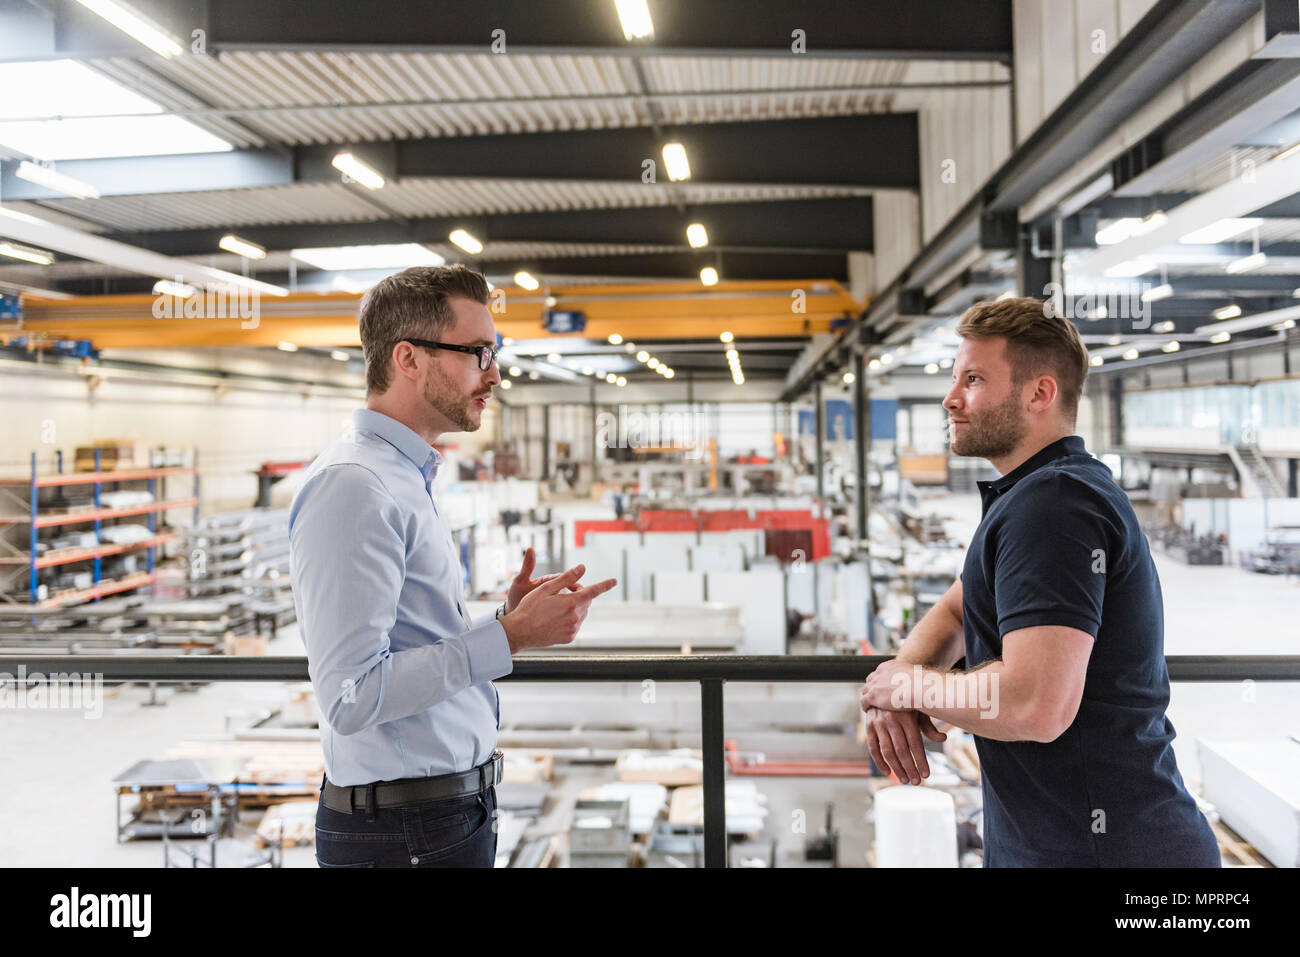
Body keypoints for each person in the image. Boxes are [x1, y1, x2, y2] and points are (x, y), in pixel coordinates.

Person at [859, 296, 1218, 868]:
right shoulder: (1036, 495)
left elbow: (1035, 702)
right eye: (956, 379)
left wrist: (901, 688)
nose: (951, 398)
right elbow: (956, 611)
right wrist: (902, 681)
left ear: (1039, 394)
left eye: (973, 380)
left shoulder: (1053, 505)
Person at [290, 264, 617, 868]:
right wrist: (508, 638)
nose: (493, 374)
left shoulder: (406, 477)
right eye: (477, 352)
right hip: (401, 833)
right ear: (408, 359)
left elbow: (414, 638)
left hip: (438, 820)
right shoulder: (355, 487)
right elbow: (349, 696)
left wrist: (502, 620)